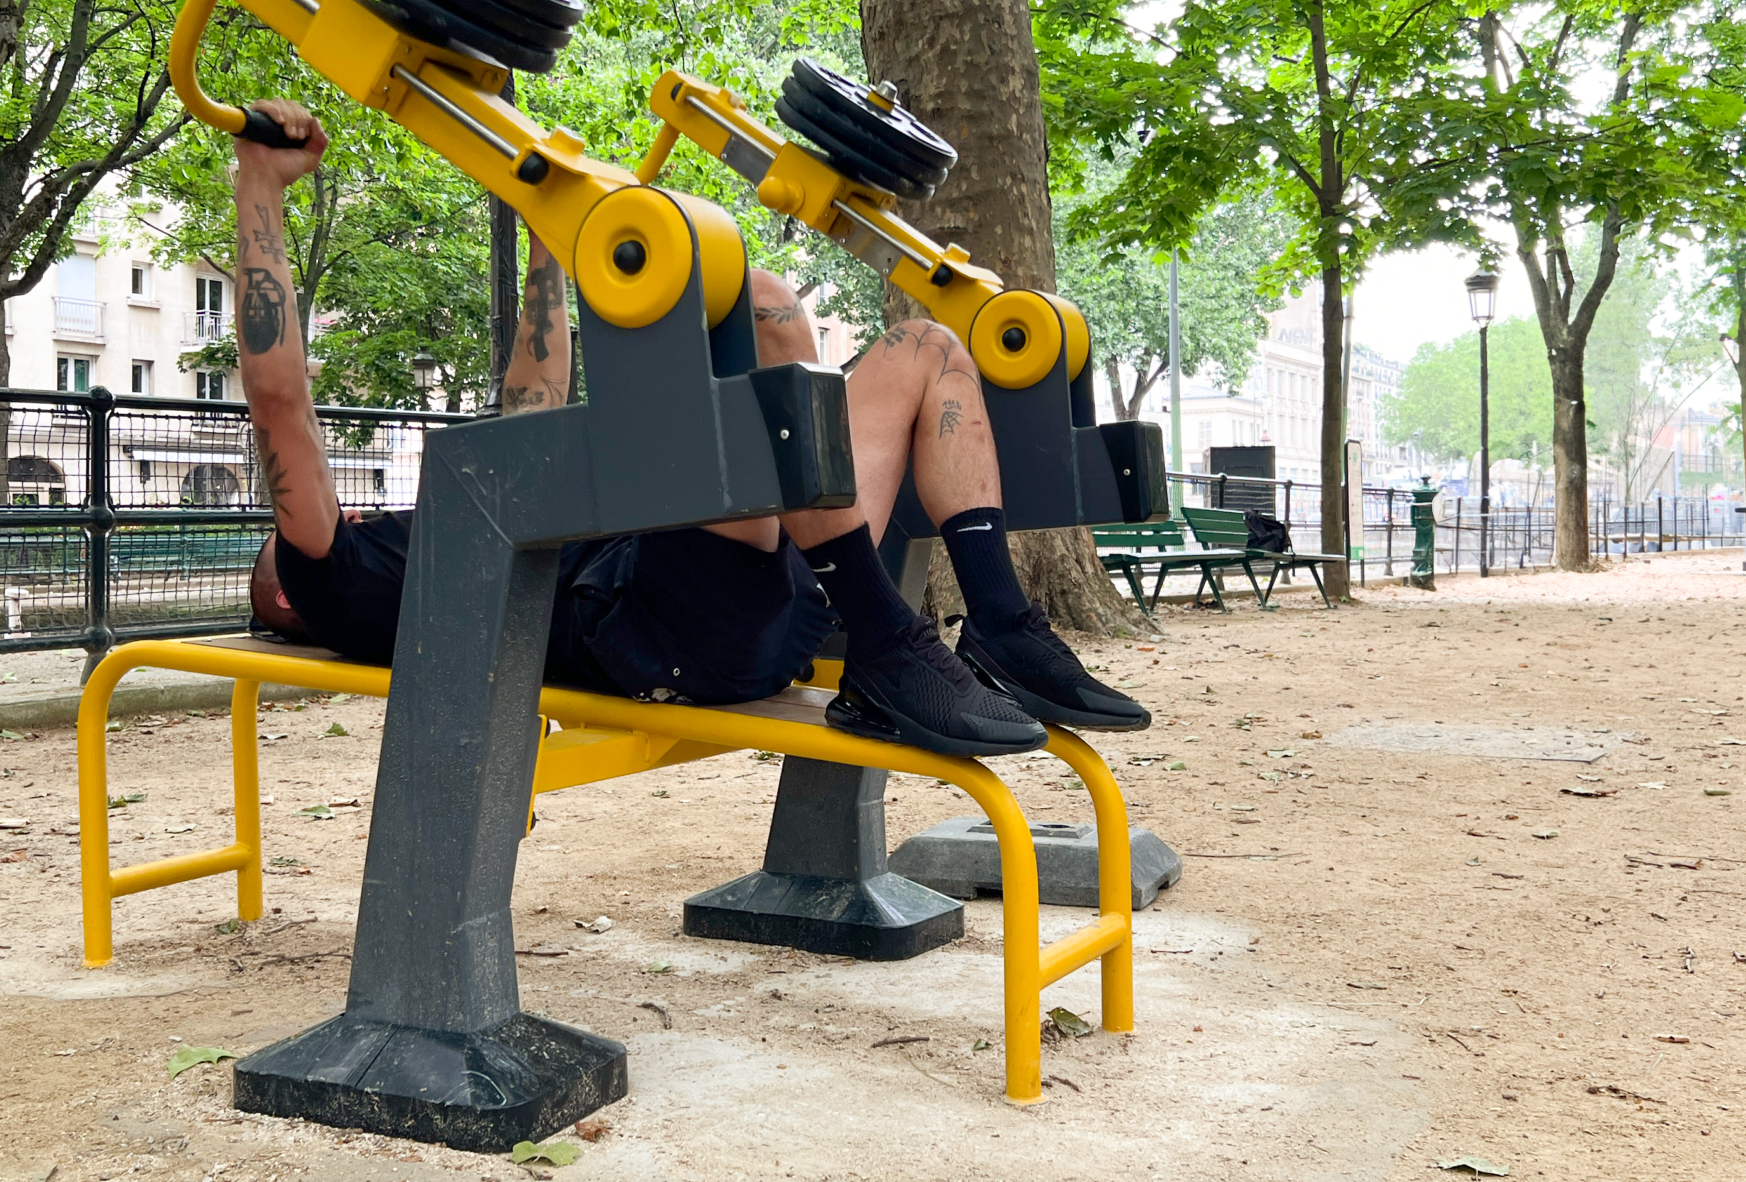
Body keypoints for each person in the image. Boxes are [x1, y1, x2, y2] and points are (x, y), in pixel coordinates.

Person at [229, 98, 1148, 756]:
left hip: (768, 590)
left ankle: (995, 618)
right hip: (673, 629)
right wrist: (258, 184)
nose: (326, 515)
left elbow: (534, 411)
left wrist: (554, 231)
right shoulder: (337, 576)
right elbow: (278, 400)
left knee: (916, 343)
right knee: (733, 314)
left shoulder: (456, 531)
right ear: (287, 596)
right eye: (285, 546)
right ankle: (884, 642)